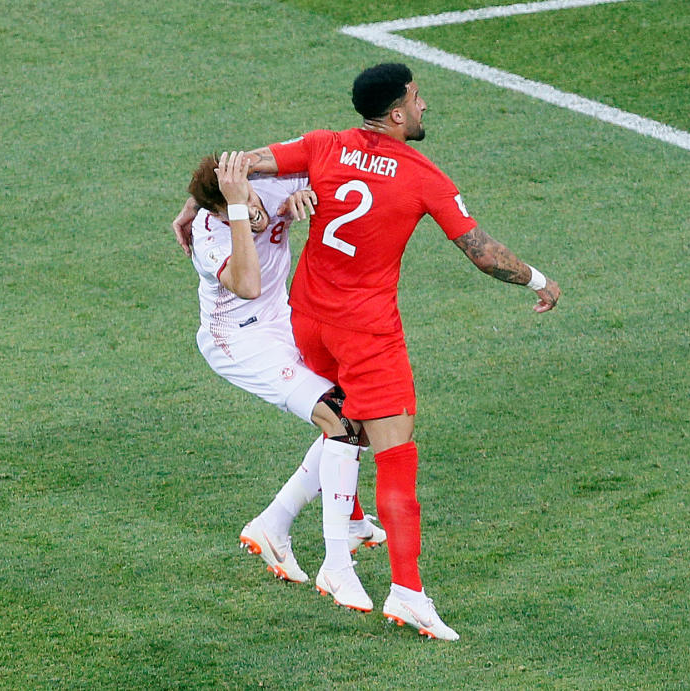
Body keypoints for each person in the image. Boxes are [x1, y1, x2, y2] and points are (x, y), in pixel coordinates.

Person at [172, 63, 560, 641]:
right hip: (362, 333)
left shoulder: (322, 147)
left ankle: (317, 523)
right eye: (418, 98)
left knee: (343, 423)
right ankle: (402, 591)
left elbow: (235, 166)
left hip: (305, 321)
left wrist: (191, 201)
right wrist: (538, 281)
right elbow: (482, 254)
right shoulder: (423, 174)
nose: (424, 106)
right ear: (397, 112)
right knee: (392, 451)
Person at [185, 151, 385, 598]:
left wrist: (299, 195)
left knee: (364, 416)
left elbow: (322, 148)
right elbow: (249, 285)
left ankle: (273, 526)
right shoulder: (208, 234)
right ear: (216, 211)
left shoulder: (269, 181)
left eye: (252, 194)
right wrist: (237, 207)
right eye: (237, 206)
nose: (255, 210)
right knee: (339, 418)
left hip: (284, 320)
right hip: (239, 342)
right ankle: (336, 563)